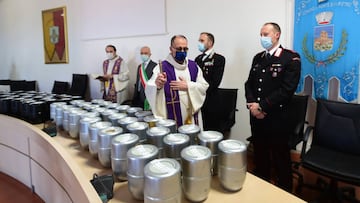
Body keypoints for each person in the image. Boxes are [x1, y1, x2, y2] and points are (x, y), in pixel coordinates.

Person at [244, 22, 301, 192]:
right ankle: (262, 186)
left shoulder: (290, 58)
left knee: (280, 157)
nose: (262, 38)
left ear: (277, 35)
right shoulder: (258, 58)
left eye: (266, 34)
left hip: (277, 117)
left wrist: (262, 106)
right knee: (260, 154)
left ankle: (285, 191)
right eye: (261, 34)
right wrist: (252, 105)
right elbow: (249, 84)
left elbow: (287, 90)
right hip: (256, 117)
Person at [145, 35, 209, 127]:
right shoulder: (161, 67)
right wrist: (157, 85)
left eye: (185, 49)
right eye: (179, 49)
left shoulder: (193, 66)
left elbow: (204, 86)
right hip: (172, 117)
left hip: (191, 115)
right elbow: (150, 88)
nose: (182, 52)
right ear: (171, 49)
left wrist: (189, 86)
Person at [195, 32, 226, 133]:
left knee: (211, 131)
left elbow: (215, 82)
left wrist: (198, 88)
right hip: (198, 100)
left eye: (202, 41)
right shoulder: (198, 59)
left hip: (211, 101)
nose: (199, 43)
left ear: (210, 43)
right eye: (199, 40)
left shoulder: (218, 59)